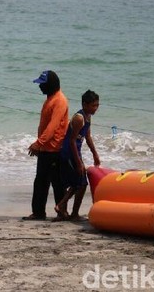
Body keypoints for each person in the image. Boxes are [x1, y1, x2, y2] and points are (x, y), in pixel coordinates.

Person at [24, 70, 69, 221]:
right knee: (40, 182)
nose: (40, 87)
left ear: (50, 85)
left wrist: (39, 143)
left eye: (42, 84)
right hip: (46, 148)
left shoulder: (60, 101)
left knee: (57, 183)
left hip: (55, 148)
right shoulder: (50, 98)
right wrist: (41, 145)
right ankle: (38, 212)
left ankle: (61, 212)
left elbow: (53, 126)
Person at [54, 90, 101, 221]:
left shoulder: (88, 117)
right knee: (79, 182)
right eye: (93, 105)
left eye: (97, 105)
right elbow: (72, 141)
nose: (96, 108)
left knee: (80, 183)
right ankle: (62, 206)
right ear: (85, 104)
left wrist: (95, 154)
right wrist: (78, 162)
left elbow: (87, 136)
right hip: (69, 152)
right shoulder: (79, 118)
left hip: (76, 151)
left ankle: (72, 212)